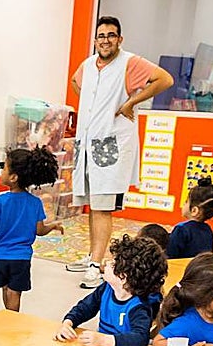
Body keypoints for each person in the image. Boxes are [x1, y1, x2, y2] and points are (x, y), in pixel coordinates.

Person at [68, 17, 174, 289]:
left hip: (111, 145)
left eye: (111, 35)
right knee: (92, 205)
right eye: (101, 35)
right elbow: (76, 83)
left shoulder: (129, 63)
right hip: (88, 144)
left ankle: (96, 265)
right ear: (95, 40)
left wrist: (130, 102)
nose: (105, 40)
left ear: (119, 39)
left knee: (103, 207)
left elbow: (164, 79)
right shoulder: (88, 65)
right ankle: (92, 256)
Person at [0, 147, 65, 312]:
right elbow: (39, 230)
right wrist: (53, 226)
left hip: (1, 255)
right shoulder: (35, 202)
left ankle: (9, 317)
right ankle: (12, 318)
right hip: (21, 257)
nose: (1, 171)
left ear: (13, 177)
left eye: (4, 168)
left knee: (5, 288)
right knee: (15, 291)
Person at [55, 234, 166, 346]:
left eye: (112, 264)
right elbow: (85, 308)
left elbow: (140, 338)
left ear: (123, 277)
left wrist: (104, 340)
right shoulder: (107, 288)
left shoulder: (139, 306)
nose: (106, 263)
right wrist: (68, 323)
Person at [166, 177, 213, 259]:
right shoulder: (207, 229)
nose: (183, 204)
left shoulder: (181, 229)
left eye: (186, 202)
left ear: (194, 210)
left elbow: (170, 256)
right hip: (200, 266)